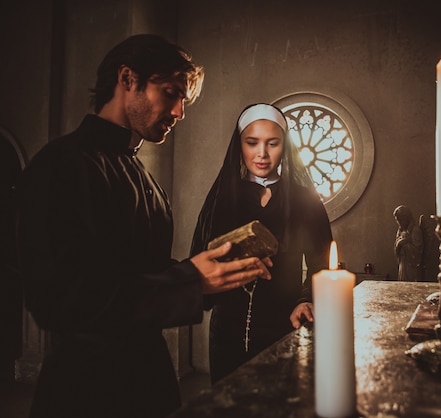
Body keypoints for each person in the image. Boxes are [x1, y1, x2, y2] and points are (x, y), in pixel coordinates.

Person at [15, 34, 271, 418]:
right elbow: (60, 301)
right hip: (85, 391)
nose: (180, 112)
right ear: (127, 79)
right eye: (171, 93)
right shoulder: (61, 165)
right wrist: (188, 280)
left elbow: (140, 270)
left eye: (184, 99)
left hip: (150, 384)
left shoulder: (144, 177)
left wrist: (216, 273)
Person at [190, 103, 333, 383]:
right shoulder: (223, 197)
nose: (262, 154)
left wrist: (307, 300)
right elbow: (201, 258)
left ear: (285, 146)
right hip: (229, 326)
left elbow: (322, 263)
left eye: (273, 143)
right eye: (252, 142)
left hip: (286, 321)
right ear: (239, 145)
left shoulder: (305, 199)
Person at [393, 205, 423, 281]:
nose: (399, 222)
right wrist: (399, 244)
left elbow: (418, 251)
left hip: (411, 265)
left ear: (407, 218)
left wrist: (405, 245)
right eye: (397, 220)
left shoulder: (415, 230)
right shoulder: (400, 230)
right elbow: (397, 245)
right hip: (402, 263)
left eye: (401, 220)